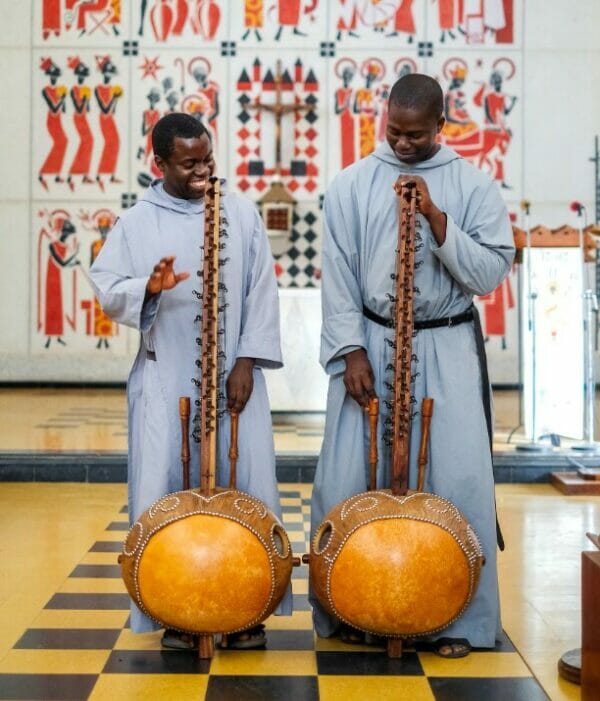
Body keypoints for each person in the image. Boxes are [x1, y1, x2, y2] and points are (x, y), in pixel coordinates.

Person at [310, 73, 514, 658]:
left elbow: (489, 273)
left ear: (441, 127)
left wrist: (436, 218)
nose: (402, 145)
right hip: (369, 346)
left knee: (457, 481)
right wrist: (350, 351)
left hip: (446, 345)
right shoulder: (351, 184)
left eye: (416, 136)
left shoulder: (473, 186)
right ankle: (350, 609)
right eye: (394, 132)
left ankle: (460, 621)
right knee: (349, 480)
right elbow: (340, 275)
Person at [90, 112, 291, 650]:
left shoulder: (241, 215)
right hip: (166, 379)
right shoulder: (137, 222)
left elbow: (261, 293)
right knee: (166, 493)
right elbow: (107, 287)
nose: (203, 170)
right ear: (159, 164)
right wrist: (147, 288)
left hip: (236, 382)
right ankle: (177, 607)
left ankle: (247, 605)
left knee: (244, 487)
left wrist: (247, 361)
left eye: (207, 158)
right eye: (189, 163)